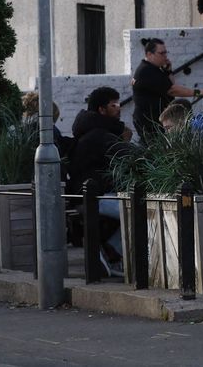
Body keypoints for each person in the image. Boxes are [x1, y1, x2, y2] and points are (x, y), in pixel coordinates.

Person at [67, 88, 133, 271]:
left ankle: (112, 250)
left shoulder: (92, 131)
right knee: (139, 210)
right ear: (101, 110)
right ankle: (113, 249)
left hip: (91, 195)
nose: (119, 108)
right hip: (94, 197)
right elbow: (131, 159)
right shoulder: (101, 135)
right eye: (114, 105)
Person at [131, 37, 203, 139]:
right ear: (149, 54)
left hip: (156, 119)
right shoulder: (146, 71)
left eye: (166, 53)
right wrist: (199, 92)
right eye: (161, 53)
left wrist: (168, 71)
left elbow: (170, 85)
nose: (165, 57)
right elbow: (172, 90)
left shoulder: (154, 68)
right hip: (150, 122)